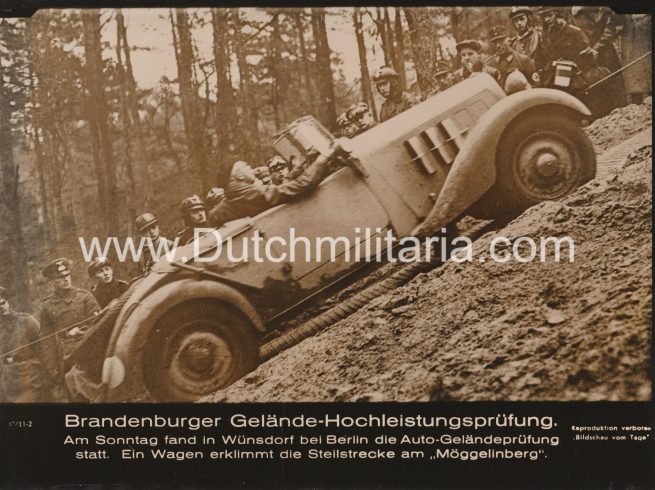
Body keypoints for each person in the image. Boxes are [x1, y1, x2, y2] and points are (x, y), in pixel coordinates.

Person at [208, 148, 338, 228]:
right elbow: (302, 185)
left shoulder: (227, 204)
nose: (251, 169)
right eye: (246, 166)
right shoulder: (253, 195)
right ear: (239, 176)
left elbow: (279, 189)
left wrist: (300, 165)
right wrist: (322, 160)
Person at [39, 258, 101, 401]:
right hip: (65, 358)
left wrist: (81, 331)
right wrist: (52, 369)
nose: (66, 279)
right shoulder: (47, 306)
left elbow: (100, 325)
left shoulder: (85, 297)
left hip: (89, 354)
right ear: (52, 281)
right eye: (61, 277)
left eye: (67, 275)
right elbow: (46, 340)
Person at [571, 6, 627, 107]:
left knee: (613, 80)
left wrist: (595, 48)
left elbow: (611, 29)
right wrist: (587, 48)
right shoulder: (579, 11)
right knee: (594, 83)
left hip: (606, 51)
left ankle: (619, 108)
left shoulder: (606, 10)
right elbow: (578, 31)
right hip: (588, 53)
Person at [0, 287, 47, 402]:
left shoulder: (26, 321)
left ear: (7, 301)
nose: (0, 307)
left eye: (2, 302)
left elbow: (44, 345)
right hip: (7, 377)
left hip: (29, 374)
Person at [539, 7, 590, 82]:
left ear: (559, 15)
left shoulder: (575, 32)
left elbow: (587, 57)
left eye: (550, 15)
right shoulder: (546, 35)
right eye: (544, 17)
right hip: (551, 76)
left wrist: (570, 65)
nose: (547, 19)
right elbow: (542, 57)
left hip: (572, 77)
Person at [487, 25, 539, 91]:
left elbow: (536, 85)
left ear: (508, 40)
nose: (498, 45)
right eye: (494, 43)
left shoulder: (523, 60)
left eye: (501, 41)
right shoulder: (490, 65)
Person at [509, 6, 546, 70]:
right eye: (515, 21)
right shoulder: (513, 42)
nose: (519, 23)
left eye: (522, 19)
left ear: (528, 19)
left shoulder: (539, 36)